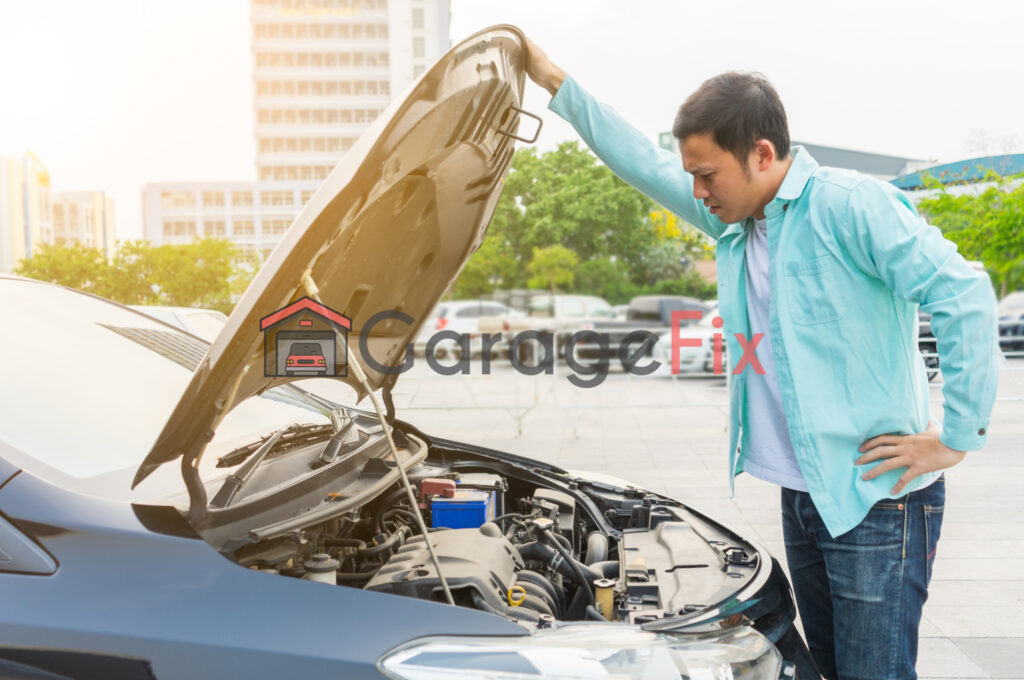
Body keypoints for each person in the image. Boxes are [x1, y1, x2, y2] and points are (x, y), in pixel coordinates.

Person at [523, 40, 1000, 680]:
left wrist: (956, 438)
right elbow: (641, 161)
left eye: (707, 174)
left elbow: (963, 292)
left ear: (762, 155)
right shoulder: (737, 217)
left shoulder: (852, 206)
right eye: (691, 173)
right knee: (829, 670)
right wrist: (553, 79)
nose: (696, 190)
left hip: (878, 501)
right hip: (803, 495)